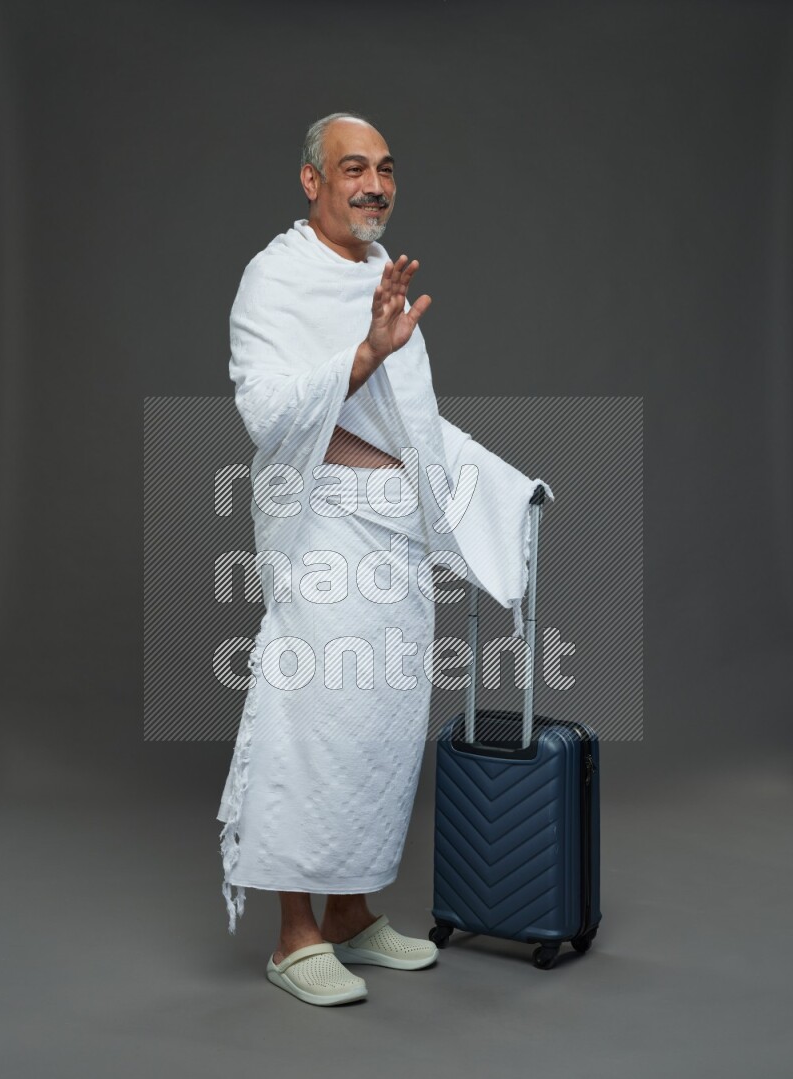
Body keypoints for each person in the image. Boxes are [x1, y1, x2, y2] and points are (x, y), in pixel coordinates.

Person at [217, 112, 553, 1006]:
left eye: (386, 169)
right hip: (323, 531)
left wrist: (491, 484)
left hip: (393, 532)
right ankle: (294, 935)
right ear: (311, 180)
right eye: (353, 167)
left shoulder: (382, 276)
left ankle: (352, 914)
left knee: (380, 722)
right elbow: (268, 414)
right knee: (313, 718)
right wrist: (363, 351)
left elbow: (415, 427)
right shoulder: (275, 278)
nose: (374, 184)